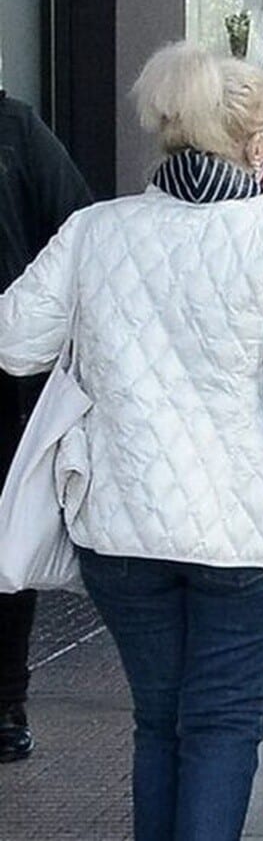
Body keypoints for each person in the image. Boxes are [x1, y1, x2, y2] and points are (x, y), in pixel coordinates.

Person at [0, 43, 263, 839]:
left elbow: (15, 343)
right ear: (247, 141)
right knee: (223, 723)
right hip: (248, 538)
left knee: (158, 719)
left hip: (123, 528)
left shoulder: (95, 231)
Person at [0, 64, 92, 764]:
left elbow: (73, 232)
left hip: (6, 370)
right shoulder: (17, 130)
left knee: (6, 537)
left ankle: (4, 699)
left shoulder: (15, 129)